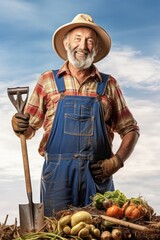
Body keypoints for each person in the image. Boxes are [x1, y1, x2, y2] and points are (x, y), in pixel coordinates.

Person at [11, 13, 140, 216]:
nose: (83, 45)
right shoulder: (47, 80)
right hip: (57, 177)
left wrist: (116, 162)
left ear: (95, 48)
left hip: (98, 173)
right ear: (66, 43)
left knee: (100, 230)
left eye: (90, 40)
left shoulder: (109, 84)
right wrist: (19, 125)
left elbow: (131, 129)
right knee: (56, 231)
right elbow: (27, 130)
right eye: (77, 38)